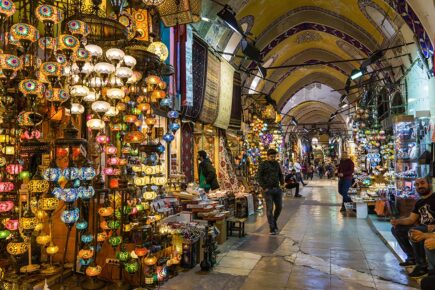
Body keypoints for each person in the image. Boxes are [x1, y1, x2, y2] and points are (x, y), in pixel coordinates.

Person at [391, 177, 435, 277]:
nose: (420, 186)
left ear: (429, 184)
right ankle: (412, 258)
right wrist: (398, 221)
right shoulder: (419, 203)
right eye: (417, 185)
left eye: (422, 183)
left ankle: (422, 266)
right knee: (396, 229)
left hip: (432, 229)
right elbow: (411, 219)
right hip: (423, 227)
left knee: (414, 231)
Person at [257, 148, 284, 235]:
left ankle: (274, 221)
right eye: (272, 157)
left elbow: (280, 174)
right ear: (268, 156)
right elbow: (259, 177)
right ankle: (272, 228)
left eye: (274, 157)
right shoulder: (263, 164)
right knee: (269, 209)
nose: (273, 158)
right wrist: (264, 187)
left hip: (277, 189)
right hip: (268, 190)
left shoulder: (276, 164)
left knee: (279, 207)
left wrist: (282, 184)